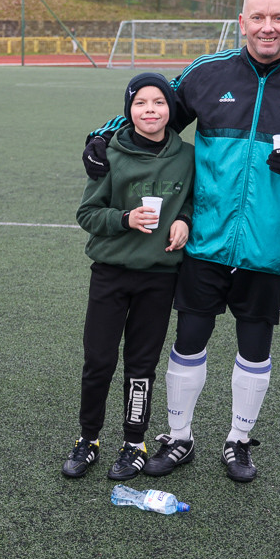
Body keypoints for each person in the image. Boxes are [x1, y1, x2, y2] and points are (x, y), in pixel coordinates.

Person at [82, 0, 280, 483]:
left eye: (278, 17)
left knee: (254, 345)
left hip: (270, 244)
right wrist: (102, 135)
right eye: (258, 18)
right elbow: (152, 113)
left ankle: (239, 441)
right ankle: (179, 439)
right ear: (242, 22)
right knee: (189, 339)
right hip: (203, 238)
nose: (268, 27)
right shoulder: (207, 73)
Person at [62, 73, 194, 481]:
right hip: (110, 274)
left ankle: (134, 442)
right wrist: (125, 218)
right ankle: (88, 439)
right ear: (128, 111)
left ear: (171, 109)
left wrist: (185, 221)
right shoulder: (108, 155)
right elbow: (86, 214)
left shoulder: (188, 157)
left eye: (158, 102)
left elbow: (194, 199)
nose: (150, 110)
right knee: (98, 360)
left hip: (158, 278)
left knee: (141, 365)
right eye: (140, 103)